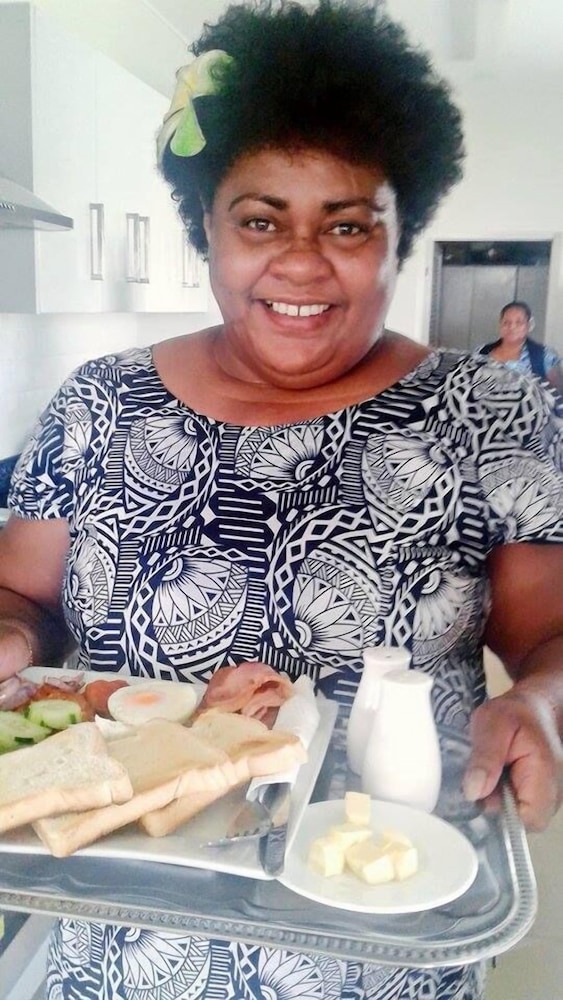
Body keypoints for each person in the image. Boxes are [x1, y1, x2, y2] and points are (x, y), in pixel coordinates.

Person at [0, 1, 562, 997]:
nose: (301, 261)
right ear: (205, 229)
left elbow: (549, 635)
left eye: (347, 225)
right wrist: (9, 636)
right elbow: (23, 597)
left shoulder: (487, 410)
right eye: (260, 220)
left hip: (376, 938)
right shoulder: (99, 401)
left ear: (400, 237)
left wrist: (540, 703)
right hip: (123, 934)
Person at [476, 300, 563, 393]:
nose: (512, 327)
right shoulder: (482, 352)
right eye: (506, 322)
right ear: (500, 325)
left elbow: (557, 392)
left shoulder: (544, 356)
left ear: (529, 325)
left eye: (519, 322)